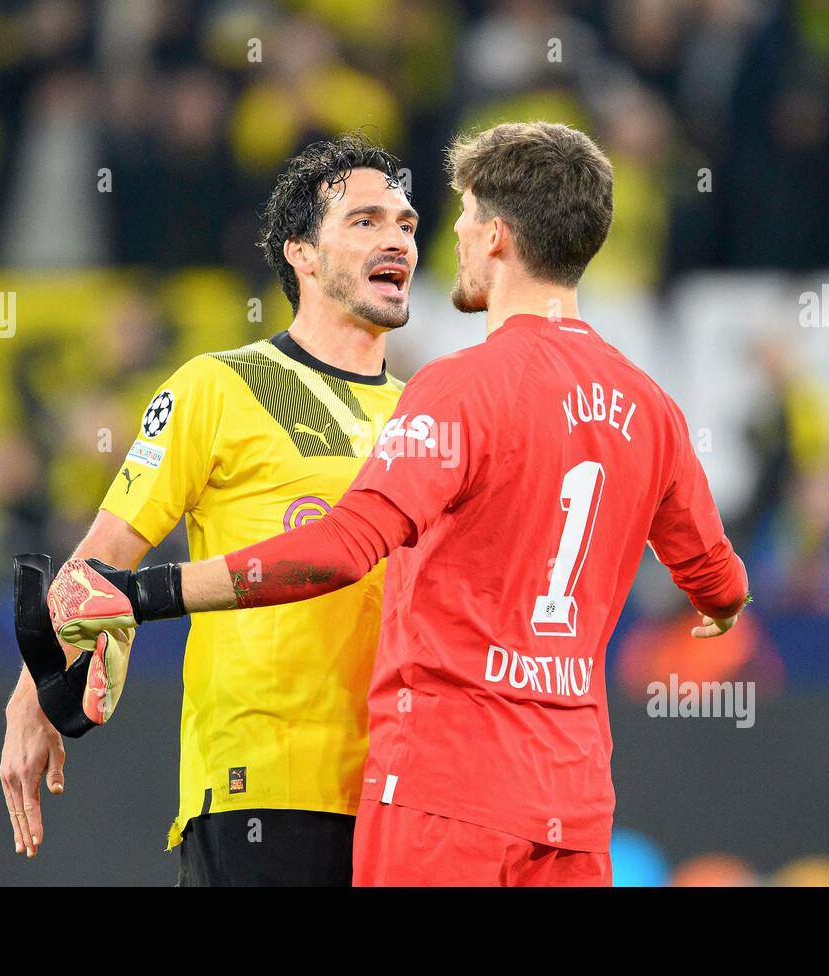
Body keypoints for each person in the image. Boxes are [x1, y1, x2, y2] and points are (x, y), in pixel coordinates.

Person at [52, 122, 748, 886]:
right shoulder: (650, 409)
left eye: (452, 218)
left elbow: (342, 546)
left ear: (497, 238)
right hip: (573, 800)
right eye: (374, 220)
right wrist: (720, 605)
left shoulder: (454, 390)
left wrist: (143, 594)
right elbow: (717, 575)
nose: (437, 236)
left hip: (442, 790)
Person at [1, 133, 418, 885]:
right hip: (261, 783)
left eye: (406, 223)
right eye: (365, 220)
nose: (396, 237)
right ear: (302, 252)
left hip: (406, 796)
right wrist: (32, 695)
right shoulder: (218, 386)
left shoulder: (427, 414)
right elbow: (103, 558)